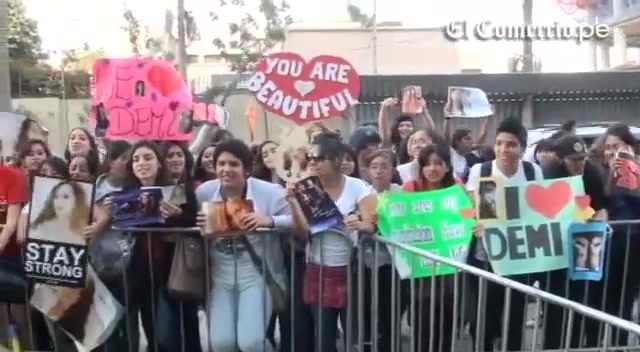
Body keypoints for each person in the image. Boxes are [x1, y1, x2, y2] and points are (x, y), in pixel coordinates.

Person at [195, 138, 299, 352]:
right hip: (220, 277)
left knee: (251, 343)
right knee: (221, 344)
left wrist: (270, 220)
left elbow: (297, 221)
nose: (226, 169)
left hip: (257, 275)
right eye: (221, 164)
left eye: (234, 164)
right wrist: (197, 224)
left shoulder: (269, 192)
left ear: (247, 169)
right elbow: (186, 222)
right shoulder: (205, 193)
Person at [286, 134, 376, 352]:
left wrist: (359, 224)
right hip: (317, 269)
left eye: (319, 158)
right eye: (310, 158)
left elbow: (370, 225)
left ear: (337, 160)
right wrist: (292, 202)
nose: (313, 163)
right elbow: (302, 232)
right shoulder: (306, 187)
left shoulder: (358, 186)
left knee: (353, 335)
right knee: (323, 337)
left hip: (350, 270)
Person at [465, 117, 544, 351]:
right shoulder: (482, 170)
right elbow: (472, 207)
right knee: (485, 314)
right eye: (499, 143)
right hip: (486, 255)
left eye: (511, 144)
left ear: (521, 148)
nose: (503, 149)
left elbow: (538, 210)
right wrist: (476, 221)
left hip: (519, 257)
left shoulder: (532, 172)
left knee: (516, 311)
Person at [540, 134, 608, 350]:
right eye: (574, 160)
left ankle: (576, 346)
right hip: (556, 252)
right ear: (561, 159)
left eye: (582, 159)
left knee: (582, 301)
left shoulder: (592, 173)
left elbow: (601, 206)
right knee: (555, 303)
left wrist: (600, 219)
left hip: (583, 248)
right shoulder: (550, 173)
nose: (580, 164)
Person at [29, 180, 90, 245]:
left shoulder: (84, 228)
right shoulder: (43, 227)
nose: (59, 201)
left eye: (65, 197)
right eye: (56, 197)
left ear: (77, 200)